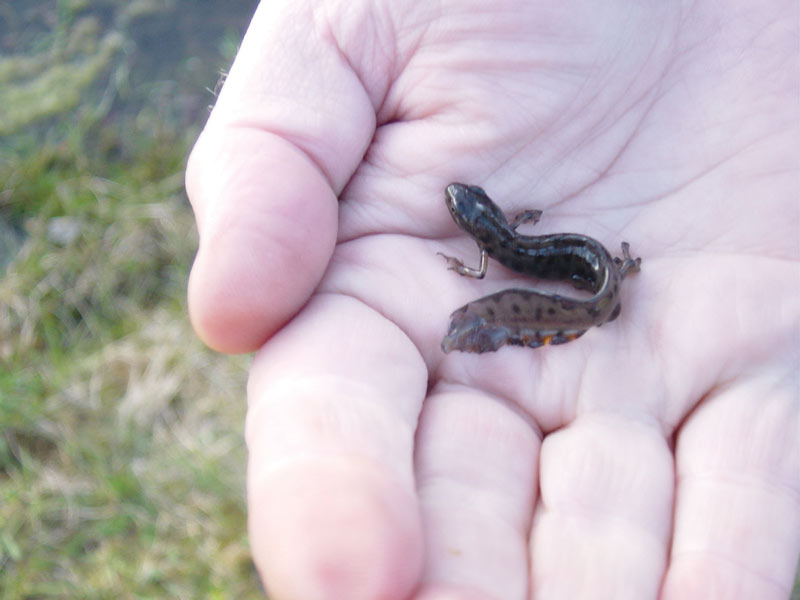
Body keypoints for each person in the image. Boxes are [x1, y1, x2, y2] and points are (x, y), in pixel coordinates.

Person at [185, 1, 799, 598]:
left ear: (479, 221)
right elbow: (511, 238)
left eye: (462, 204)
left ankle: (610, 284)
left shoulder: (493, 247)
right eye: (462, 205)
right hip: (586, 266)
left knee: (582, 276)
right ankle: (609, 283)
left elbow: (485, 266)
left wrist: (475, 263)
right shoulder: (506, 235)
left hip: (584, 265)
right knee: (582, 275)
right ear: (484, 219)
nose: (458, 203)